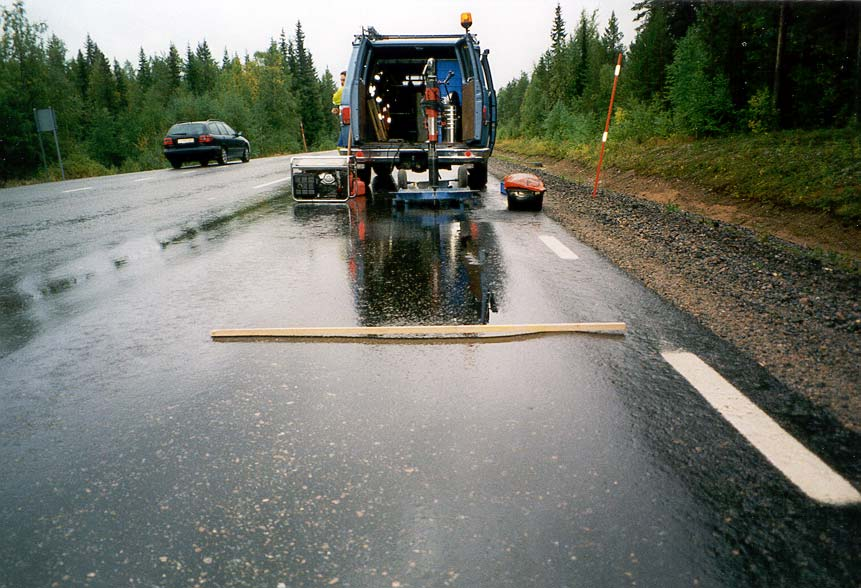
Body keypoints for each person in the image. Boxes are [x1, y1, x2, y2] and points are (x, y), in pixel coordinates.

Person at [333, 71, 349, 148]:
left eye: (343, 80)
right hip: (343, 116)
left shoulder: (343, 90)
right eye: (341, 80)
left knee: (342, 141)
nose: (342, 82)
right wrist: (337, 110)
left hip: (346, 118)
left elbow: (335, 99)